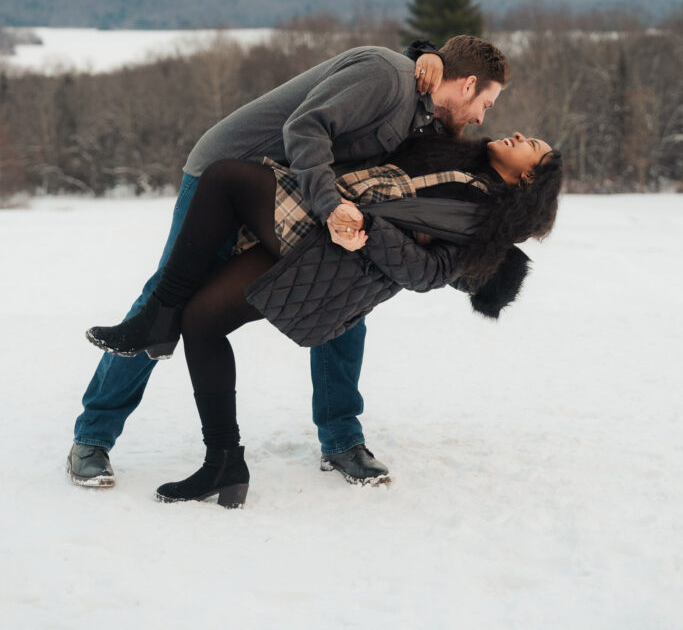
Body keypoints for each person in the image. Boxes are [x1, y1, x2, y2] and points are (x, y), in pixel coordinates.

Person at [68, 36, 510, 489]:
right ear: (469, 83)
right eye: (487, 104)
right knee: (166, 299)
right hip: (227, 178)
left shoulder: (423, 113)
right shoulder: (387, 76)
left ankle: (341, 440)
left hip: (289, 196)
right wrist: (330, 208)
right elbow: (307, 128)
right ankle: (93, 436)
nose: (481, 118)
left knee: (345, 308)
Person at [86, 131, 562, 507]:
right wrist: (427, 57)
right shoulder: (457, 156)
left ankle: (158, 313)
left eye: (533, 147)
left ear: (527, 181)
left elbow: (426, 274)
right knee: (201, 319)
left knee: (226, 177)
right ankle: (224, 462)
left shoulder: (485, 224)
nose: (520, 135)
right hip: (324, 235)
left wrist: (370, 228)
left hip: (336, 255)